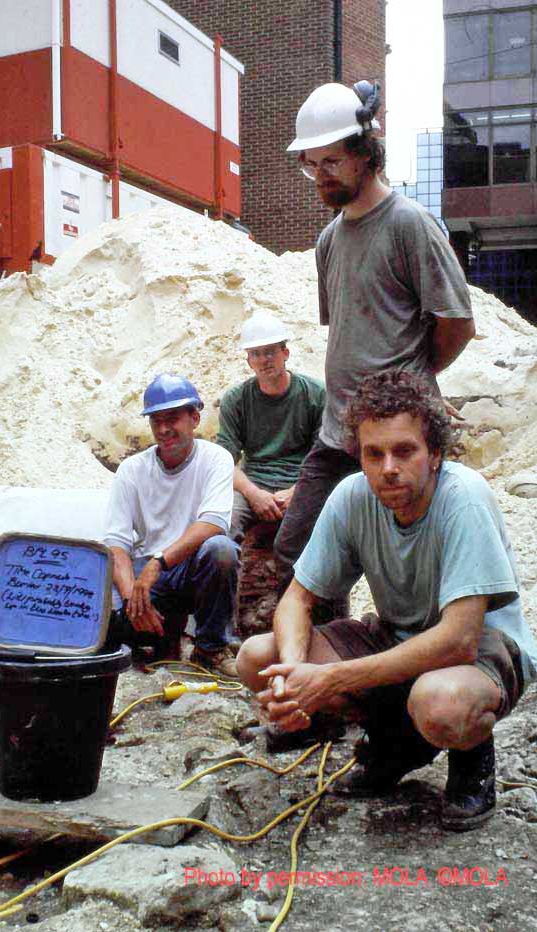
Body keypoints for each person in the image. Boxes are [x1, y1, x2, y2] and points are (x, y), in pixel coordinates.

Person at [237, 370, 537, 830]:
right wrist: (295, 678)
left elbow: (458, 639)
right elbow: (296, 599)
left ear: (434, 453)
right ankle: (396, 746)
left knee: (441, 703)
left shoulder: (464, 499)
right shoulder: (353, 496)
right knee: (259, 658)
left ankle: (471, 758)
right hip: (398, 636)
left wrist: (330, 678)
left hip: (481, 651)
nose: (388, 468)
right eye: (373, 454)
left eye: (404, 451)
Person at [273, 79, 475, 595]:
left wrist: (413, 380)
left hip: (397, 437)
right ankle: (329, 658)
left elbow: (457, 323)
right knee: (299, 552)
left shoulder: (410, 224)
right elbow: (348, 333)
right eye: (311, 165)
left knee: (412, 561)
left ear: (366, 154)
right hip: (338, 430)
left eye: (331, 162)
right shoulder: (328, 240)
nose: (319, 176)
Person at [103, 373, 239, 677]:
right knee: (103, 619)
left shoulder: (216, 459)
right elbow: (116, 544)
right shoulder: (132, 470)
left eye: (172, 418)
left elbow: (213, 523)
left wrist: (158, 562)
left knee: (221, 550)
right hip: (148, 576)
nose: (164, 429)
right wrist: (131, 601)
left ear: (194, 417)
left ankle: (210, 648)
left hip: (188, 568)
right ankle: (160, 641)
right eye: (156, 421)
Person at [216, 311, 325, 543]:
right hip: (253, 484)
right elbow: (224, 463)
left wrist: (296, 492)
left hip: (302, 483)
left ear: (285, 353)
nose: (264, 360)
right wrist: (254, 495)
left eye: (270, 352)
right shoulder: (236, 400)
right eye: (256, 354)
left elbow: (324, 460)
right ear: (248, 360)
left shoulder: (315, 395)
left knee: (314, 533)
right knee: (222, 530)